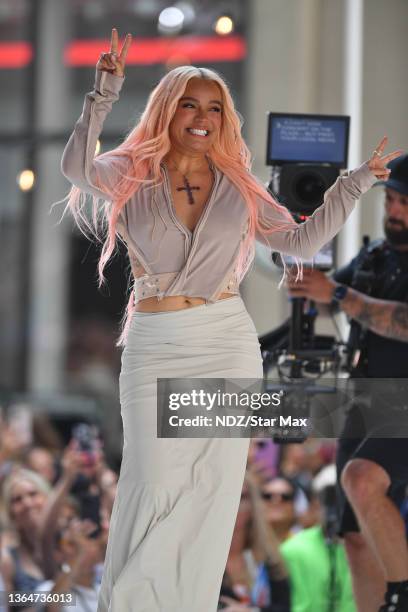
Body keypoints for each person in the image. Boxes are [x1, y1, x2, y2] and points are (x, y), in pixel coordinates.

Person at [60, 26, 398, 612]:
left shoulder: (240, 189)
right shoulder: (131, 173)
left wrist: (356, 182)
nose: (202, 115)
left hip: (225, 338)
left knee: (211, 489)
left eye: (214, 107)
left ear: (224, 120)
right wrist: (102, 96)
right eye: (189, 103)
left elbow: (300, 239)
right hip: (156, 342)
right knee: (153, 479)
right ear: (168, 110)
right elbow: (75, 170)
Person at [287, 154, 408, 612]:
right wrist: (300, 277)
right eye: (391, 200)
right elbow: (324, 299)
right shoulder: (376, 255)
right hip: (365, 401)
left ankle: (401, 596)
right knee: (353, 535)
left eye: (403, 203)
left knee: (360, 480)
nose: (394, 210)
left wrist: (337, 294)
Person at [281, 465, 356, 612]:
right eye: (329, 499)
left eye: (342, 497)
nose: (335, 507)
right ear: (315, 503)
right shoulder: (291, 549)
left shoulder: (369, 551)